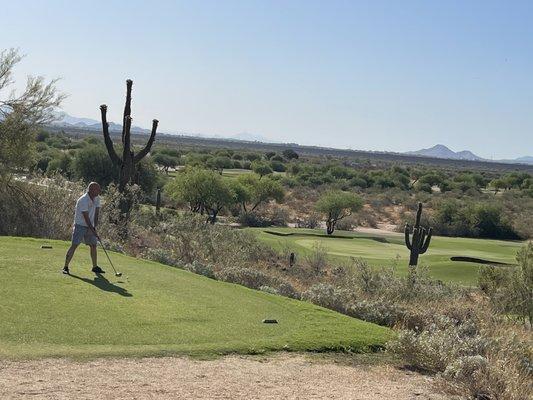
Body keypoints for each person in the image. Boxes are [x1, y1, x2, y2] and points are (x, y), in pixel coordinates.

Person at [62, 182, 105, 274]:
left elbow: (97, 213)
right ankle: (65, 267)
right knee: (74, 245)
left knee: (93, 245)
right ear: (91, 190)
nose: (99, 191)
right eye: (97, 189)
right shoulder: (83, 200)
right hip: (80, 225)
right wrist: (92, 229)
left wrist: (94, 227)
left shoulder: (97, 198)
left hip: (91, 226)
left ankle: (95, 267)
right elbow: (86, 217)